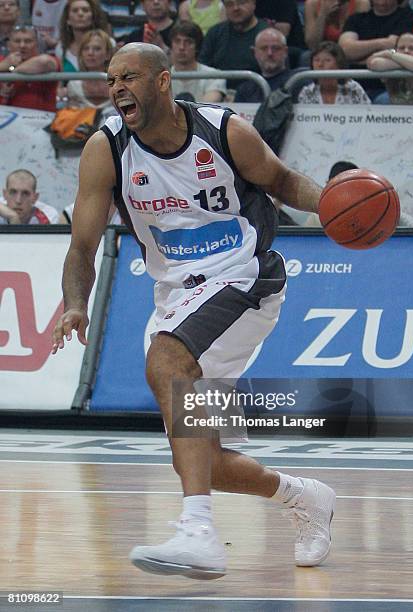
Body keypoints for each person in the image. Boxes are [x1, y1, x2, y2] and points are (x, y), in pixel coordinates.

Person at [52, 42, 336, 580]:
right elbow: (81, 247)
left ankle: (199, 533)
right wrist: (74, 303)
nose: (116, 88)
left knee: (166, 361)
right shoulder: (105, 150)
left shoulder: (224, 131)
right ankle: (305, 497)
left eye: (129, 76)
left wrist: (332, 202)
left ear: (163, 81)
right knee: (207, 459)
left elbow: (281, 181)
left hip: (245, 279)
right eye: (111, 79)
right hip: (175, 297)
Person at [198, 0, 268, 91]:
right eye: (229, 4)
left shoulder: (267, 35)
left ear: (254, 3)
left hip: (255, 97)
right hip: (217, 95)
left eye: (242, 2)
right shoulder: (215, 33)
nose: (235, 8)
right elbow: (203, 69)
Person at [0, 25, 61, 111]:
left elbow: (44, 61)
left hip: (42, 120)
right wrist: (3, 65)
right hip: (7, 120)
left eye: (28, 41)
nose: (22, 45)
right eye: (17, 41)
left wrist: (12, 71)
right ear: (9, 45)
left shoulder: (51, 59)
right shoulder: (3, 61)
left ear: (36, 44)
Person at [235, 27, 302, 102]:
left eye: (275, 48)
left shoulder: (298, 83)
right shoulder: (245, 90)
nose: (269, 53)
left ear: (285, 51)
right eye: (264, 48)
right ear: (255, 52)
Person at [170, 20, 226, 102]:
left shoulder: (215, 76)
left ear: (197, 47)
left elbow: (207, 108)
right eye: (177, 41)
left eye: (188, 42)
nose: (181, 47)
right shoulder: (161, 78)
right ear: (171, 45)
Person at [63, 28, 115, 117]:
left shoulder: (118, 85)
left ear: (107, 55)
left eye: (97, 49)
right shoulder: (73, 86)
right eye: (86, 49)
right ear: (81, 54)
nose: (90, 53)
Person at [298, 40, 371, 103]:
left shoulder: (353, 89)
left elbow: (368, 114)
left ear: (339, 64)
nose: (320, 64)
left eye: (327, 60)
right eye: (316, 60)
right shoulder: (307, 92)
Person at [367, 31, 413, 104]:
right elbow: (373, 63)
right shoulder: (393, 58)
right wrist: (408, 64)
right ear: (396, 50)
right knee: (381, 99)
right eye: (401, 48)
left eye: (412, 48)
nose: (406, 51)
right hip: (395, 112)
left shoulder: (390, 55)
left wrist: (389, 54)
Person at [56, 0, 110, 72]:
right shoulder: (61, 48)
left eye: (85, 10)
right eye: (75, 11)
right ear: (67, 19)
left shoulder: (109, 43)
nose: (80, 14)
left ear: (93, 17)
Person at [304, 0, 370, 51]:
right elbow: (312, 45)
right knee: (307, 57)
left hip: (352, 50)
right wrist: (323, 14)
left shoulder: (361, 3)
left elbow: (363, 40)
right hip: (323, 50)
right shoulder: (312, 4)